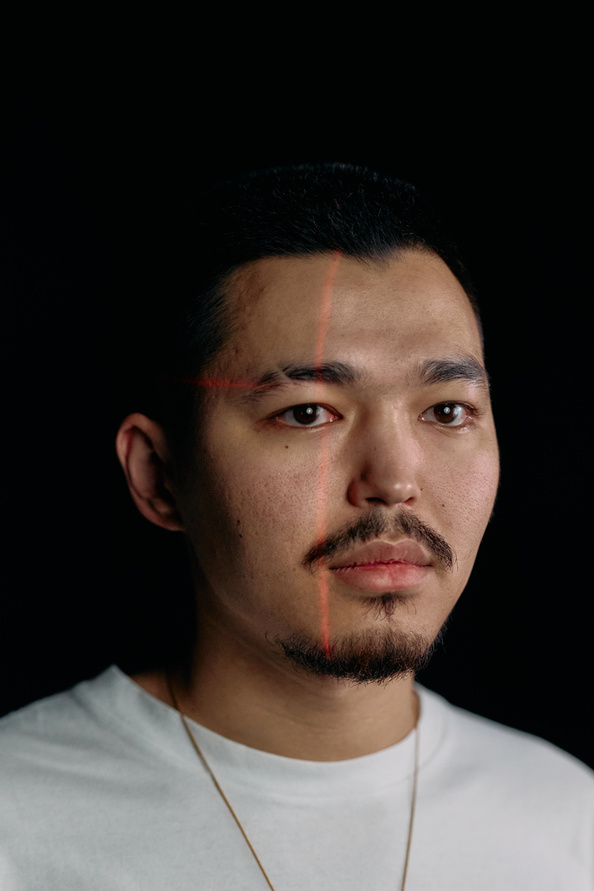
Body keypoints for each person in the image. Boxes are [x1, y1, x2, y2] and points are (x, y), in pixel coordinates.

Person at [1, 163, 592, 890]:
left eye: (445, 410)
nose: (395, 479)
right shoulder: (19, 819)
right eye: (308, 411)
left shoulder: (566, 822)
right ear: (158, 475)